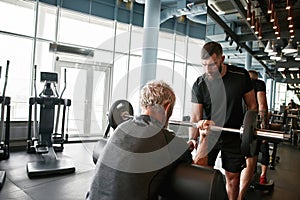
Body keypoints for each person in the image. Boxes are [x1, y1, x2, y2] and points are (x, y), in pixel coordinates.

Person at [87, 80, 210, 200]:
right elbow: (199, 173)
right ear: (167, 108)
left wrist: (181, 147)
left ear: (142, 105)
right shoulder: (168, 141)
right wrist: (205, 138)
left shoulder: (121, 128)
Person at [189, 41, 257, 200]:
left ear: (222, 59)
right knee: (202, 176)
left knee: (232, 180)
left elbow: (252, 106)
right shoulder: (200, 84)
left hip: (234, 135)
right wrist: (193, 139)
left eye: (212, 65)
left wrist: (249, 130)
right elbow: (195, 117)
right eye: (204, 65)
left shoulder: (240, 76)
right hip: (209, 135)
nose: (207, 70)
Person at [239, 70, 270, 199]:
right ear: (256, 77)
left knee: (235, 162)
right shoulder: (258, 84)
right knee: (250, 161)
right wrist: (264, 129)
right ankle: (240, 196)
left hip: (236, 124)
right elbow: (262, 106)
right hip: (251, 127)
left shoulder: (239, 83)